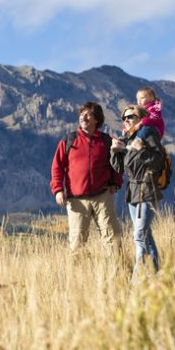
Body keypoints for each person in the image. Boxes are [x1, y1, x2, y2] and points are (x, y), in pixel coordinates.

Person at [50, 102, 123, 255]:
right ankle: (77, 278)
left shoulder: (106, 141)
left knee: (112, 239)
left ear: (97, 119)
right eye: (81, 114)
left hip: (103, 197)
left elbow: (115, 164)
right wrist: (58, 190)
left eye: (88, 114)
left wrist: (116, 183)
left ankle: (116, 276)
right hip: (76, 200)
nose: (83, 117)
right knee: (77, 243)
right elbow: (57, 167)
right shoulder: (69, 140)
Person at [110, 105, 165, 277]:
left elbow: (158, 161)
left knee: (139, 235)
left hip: (147, 189)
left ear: (140, 118)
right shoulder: (130, 139)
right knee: (146, 236)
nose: (125, 121)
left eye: (130, 117)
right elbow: (119, 168)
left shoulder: (149, 133)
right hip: (133, 193)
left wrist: (139, 150)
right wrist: (115, 151)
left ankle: (136, 281)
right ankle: (156, 277)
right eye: (124, 118)